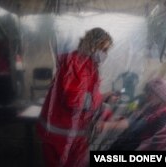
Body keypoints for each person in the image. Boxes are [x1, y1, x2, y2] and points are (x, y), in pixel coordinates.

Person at [36, 27, 116, 167]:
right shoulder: (77, 64)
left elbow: (86, 95)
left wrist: (102, 97)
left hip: (63, 131)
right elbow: (76, 101)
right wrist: (101, 101)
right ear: (93, 45)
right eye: (103, 49)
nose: (105, 54)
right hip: (62, 135)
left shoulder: (84, 63)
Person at [97, 78, 166, 150]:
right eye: (147, 93)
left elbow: (134, 122)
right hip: (129, 139)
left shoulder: (163, 114)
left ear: (160, 96)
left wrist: (107, 126)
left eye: (150, 94)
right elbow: (134, 114)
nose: (147, 96)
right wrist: (119, 117)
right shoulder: (151, 105)